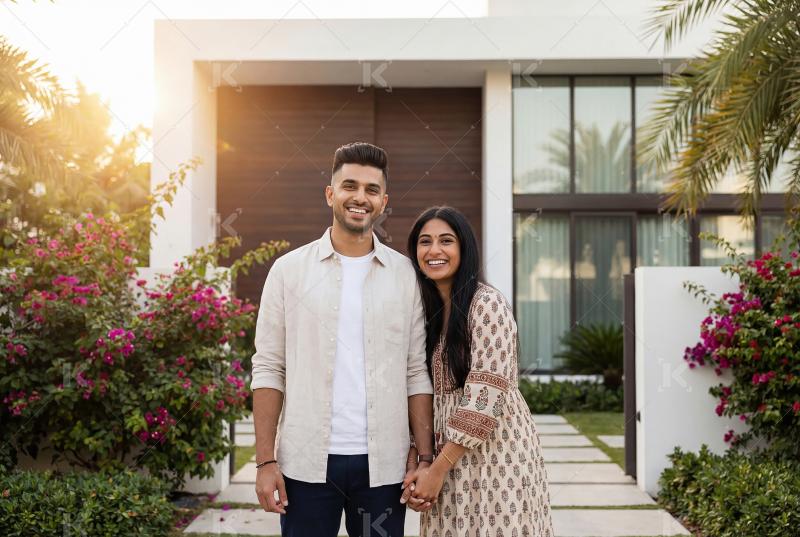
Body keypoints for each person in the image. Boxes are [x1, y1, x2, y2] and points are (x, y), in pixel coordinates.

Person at [250, 142, 434, 536]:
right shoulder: (288, 272)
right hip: (305, 463)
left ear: (383, 202)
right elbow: (268, 368)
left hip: (384, 466)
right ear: (330, 194)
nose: (360, 198)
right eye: (350, 186)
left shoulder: (405, 276)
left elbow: (416, 371)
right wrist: (266, 462)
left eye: (371, 190)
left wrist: (425, 456)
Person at [402, 206, 553, 536]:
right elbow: (418, 389)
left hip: (498, 457)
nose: (434, 250)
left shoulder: (486, 304)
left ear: (464, 248)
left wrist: (438, 468)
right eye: (424, 241)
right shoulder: (422, 311)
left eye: (446, 240)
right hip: (445, 460)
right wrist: (421, 459)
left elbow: (487, 398)